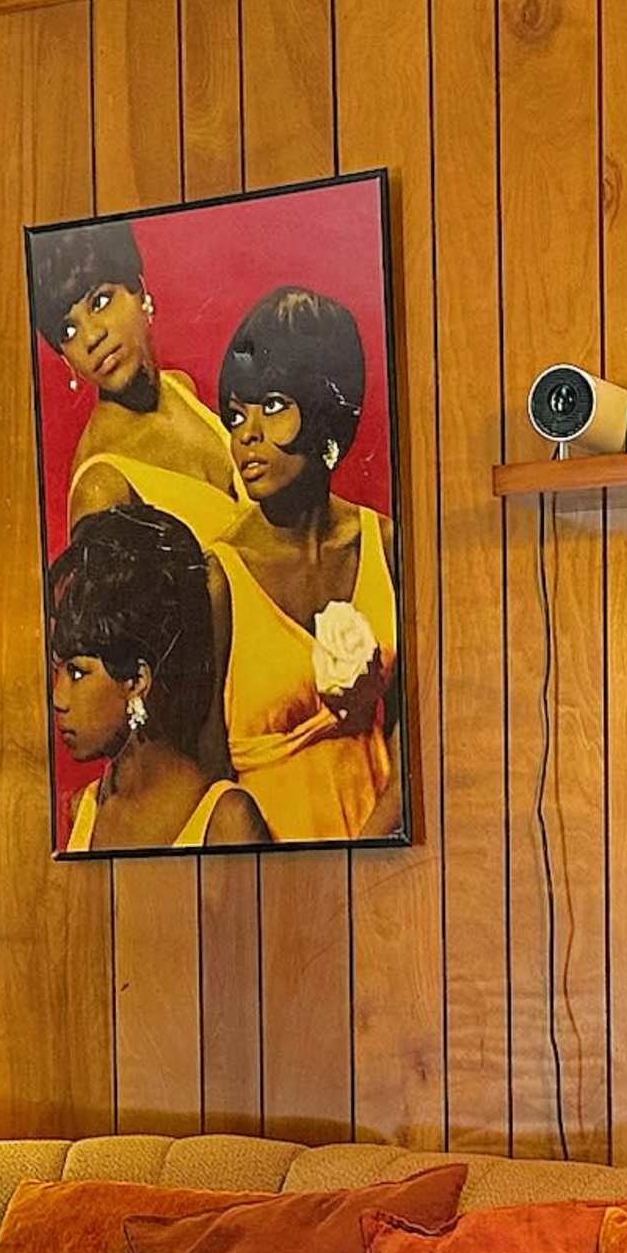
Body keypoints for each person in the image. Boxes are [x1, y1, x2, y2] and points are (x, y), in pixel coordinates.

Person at [204, 283, 401, 840]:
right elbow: (209, 779)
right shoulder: (220, 577)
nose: (248, 436)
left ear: (324, 411)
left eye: (271, 407)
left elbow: (419, 733)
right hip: (275, 886)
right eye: (235, 415)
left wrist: (374, 850)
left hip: (393, 857)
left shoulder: (385, 546)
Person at [45, 500, 267, 854]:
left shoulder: (226, 822)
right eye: (56, 671)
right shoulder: (83, 810)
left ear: (137, 680)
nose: (58, 698)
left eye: (77, 672)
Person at [26, 217, 236, 529]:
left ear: (138, 288)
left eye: (99, 301)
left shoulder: (179, 387)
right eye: (68, 330)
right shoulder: (100, 489)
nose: (91, 337)